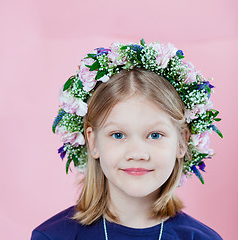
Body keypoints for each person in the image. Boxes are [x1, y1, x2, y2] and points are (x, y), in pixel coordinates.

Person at [31, 39, 223, 239]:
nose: (137, 154)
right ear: (93, 142)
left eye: (155, 135)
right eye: (118, 135)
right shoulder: (52, 236)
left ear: (182, 142)